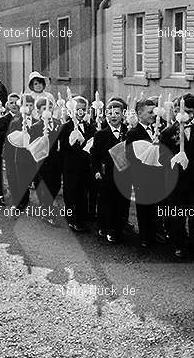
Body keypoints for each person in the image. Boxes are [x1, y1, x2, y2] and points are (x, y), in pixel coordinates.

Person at [160, 93, 194, 258]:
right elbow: (162, 158)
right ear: (177, 111)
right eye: (185, 111)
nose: (189, 115)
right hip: (175, 182)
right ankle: (178, 244)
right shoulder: (167, 133)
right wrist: (173, 159)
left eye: (192, 112)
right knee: (177, 216)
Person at [125, 98, 167, 247]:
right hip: (142, 176)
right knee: (144, 207)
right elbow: (130, 155)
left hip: (158, 174)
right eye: (150, 112)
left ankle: (157, 231)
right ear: (139, 114)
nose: (154, 115)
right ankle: (145, 236)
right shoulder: (133, 132)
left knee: (157, 204)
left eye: (155, 112)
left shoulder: (160, 130)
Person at [91, 97, 130, 243]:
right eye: (110, 113)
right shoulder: (101, 134)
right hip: (107, 174)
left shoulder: (128, 132)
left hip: (125, 173)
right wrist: (96, 171)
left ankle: (120, 226)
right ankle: (107, 228)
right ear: (106, 115)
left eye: (117, 113)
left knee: (122, 202)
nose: (113, 116)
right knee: (107, 202)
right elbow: (94, 155)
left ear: (123, 115)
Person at [59, 96, 96, 232]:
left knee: (82, 192)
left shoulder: (89, 126)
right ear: (71, 110)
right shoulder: (66, 127)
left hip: (85, 165)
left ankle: (81, 217)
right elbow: (62, 148)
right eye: (77, 109)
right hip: (71, 166)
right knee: (71, 193)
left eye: (83, 109)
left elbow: (92, 142)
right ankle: (71, 219)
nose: (80, 112)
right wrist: (72, 144)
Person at [29, 97, 62, 226]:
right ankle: (47, 211)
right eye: (44, 109)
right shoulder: (36, 127)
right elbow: (33, 146)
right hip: (43, 161)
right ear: (38, 111)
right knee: (46, 185)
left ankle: (47, 205)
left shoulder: (58, 122)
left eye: (50, 108)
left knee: (56, 184)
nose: (48, 110)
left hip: (55, 159)